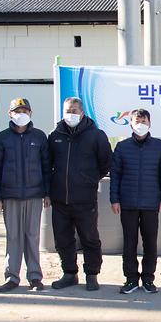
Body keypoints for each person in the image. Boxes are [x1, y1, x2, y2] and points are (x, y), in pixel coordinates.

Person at [48, 97, 111, 292]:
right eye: (68, 110)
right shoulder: (55, 135)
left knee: (89, 238)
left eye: (74, 110)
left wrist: (89, 180)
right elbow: (47, 164)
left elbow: (105, 163)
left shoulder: (96, 135)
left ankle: (92, 274)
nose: (71, 114)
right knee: (63, 239)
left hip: (85, 198)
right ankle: (69, 273)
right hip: (60, 199)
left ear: (82, 113)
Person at [0, 98, 51, 293]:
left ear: (31, 113)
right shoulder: (2, 138)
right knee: (13, 237)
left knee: (32, 236)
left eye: (25, 111)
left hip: (34, 195)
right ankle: (12, 277)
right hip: (10, 195)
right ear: (10, 114)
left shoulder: (39, 137)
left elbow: (46, 167)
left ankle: (35, 276)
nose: (21, 114)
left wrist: (47, 193)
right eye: (17, 111)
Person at [110, 109, 161, 294]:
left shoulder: (159, 146)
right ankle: (131, 279)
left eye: (144, 121)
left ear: (150, 123)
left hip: (151, 203)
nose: (140, 124)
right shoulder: (122, 147)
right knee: (129, 242)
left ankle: (148, 279)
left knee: (150, 243)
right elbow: (115, 175)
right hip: (127, 202)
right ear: (131, 123)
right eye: (137, 121)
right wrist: (114, 199)